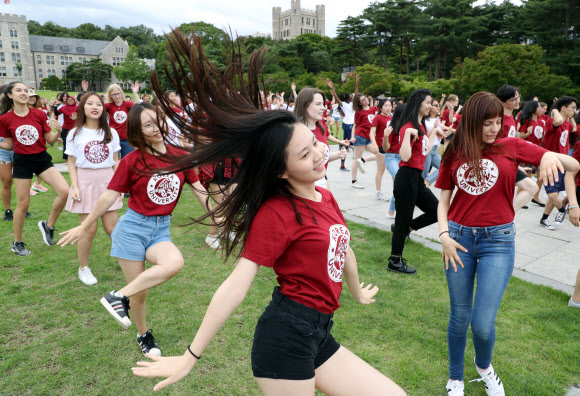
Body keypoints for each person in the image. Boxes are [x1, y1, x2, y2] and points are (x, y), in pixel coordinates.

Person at [130, 31, 406, 396]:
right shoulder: (277, 213)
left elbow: (342, 247)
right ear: (280, 170)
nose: (318, 155)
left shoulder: (323, 197)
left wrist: (355, 291)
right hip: (286, 339)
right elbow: (235, 287)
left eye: (313, 146)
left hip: (319, 334)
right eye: (304, 155)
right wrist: (190, 356)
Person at [435, 92, 579, 396]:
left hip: (497, 242)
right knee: (459, 315)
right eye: (487, 123)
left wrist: (551, 156)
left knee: (483, 323)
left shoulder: (510, 145)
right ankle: (455, 378)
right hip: (458, 238)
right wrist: (444, 236)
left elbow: (573, 166)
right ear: (472, 122)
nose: (494, 128)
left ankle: (484, 367)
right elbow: (443, 200)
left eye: (498, 122)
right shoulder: (455, 151)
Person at [58, 102, 213, 356]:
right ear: (138, 132)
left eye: (158, 120)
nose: (157, 127)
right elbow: (109, 196)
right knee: (140, 293)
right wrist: (85, 225)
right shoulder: (132, 160)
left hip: (160, 229)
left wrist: (220, 216)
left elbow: (199, 190)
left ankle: (116, 296)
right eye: (148, 125)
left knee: (174, 263)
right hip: (131, 229)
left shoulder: (180, 156)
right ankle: (143, 334)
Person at [0, 82, 69, 256]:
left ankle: (49, 225)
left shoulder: (39, 114)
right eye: (19, 90)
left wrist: (58, 131)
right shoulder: (5, 119)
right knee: (23, 204)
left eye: (26, 90)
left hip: (41, 159)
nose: (24, 93)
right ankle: (17, 242)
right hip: (22, 161)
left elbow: (50, 140)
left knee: (65, 191)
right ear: (10, 95)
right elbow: (9, 144)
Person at [64, 92, 123, 285]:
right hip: (85, 182)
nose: (95, 107)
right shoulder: (74, 133)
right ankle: (84, 268)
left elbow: (115, 161)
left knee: (112, 228)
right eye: (90, 103)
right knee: (88, 229)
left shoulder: (111, 132)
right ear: (83, 107)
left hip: (108, 182)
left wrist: (120, 183)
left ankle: (129, 261)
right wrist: (74, 186)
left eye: (98, 103)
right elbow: (71, 163)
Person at [389, 89, 441, 275]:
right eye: (428, 102)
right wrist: (407, 134)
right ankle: (395, 260)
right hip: (406, 177)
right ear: (418, 103)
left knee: (437, 210)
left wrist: (434, 131)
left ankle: (404, 229)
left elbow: (424, 153)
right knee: (402, 217)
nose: (430, 106)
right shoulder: (408, 126)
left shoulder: (421, 127)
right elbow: (404, 156)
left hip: (416, 177)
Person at [294, 87, 348, 189]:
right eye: (318, 104)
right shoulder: (295, 132)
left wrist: (338, 154)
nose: (323, 108)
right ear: (305, 106)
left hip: (322, 180)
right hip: (303, 186)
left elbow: (320, 159)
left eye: (323, 104)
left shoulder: (320, 125)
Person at [496, 85, 539, 211]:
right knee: (531, 187)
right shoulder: (498, 120)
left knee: (531, 187)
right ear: (503, 102)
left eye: (518, 97)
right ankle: (505, 216)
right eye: (513, 99)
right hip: (499, 163)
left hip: (508, 162)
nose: (517, 101)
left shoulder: (511, 118)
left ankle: (505, 216)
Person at [539, 96, 578, 229]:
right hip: (549, 162)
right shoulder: (552, 121)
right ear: (563, 108)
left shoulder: (566, 123)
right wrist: (555, 108)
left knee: (553, 193)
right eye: (572, 107)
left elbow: (573, 128)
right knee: (552, 194)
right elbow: (559, 120)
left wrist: (570, 114)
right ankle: (562, 210)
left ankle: (544, 218)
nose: (575, 110)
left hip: (561, 162)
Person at [102, 81, 141, 159]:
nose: (117, 96)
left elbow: (139, 107)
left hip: (127, 138)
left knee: (127, 160)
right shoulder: (109, 106)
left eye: (118, 93)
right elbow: (96, 107)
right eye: (114, 94)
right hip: (114, 138)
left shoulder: (127, 104)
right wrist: (85, 91)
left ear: (121, 93)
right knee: (113, 159)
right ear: (110, 96)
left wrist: (135, 94)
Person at [326, 78, 357, 172]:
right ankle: (342, 165)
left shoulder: (352, 103)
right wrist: (333, 89)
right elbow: (336, 98)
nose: (352, 96)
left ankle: (355, 155)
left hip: (353, 125)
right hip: (347, 125)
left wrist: (356, 82)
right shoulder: (343, 104)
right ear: (346, 98)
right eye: (350, 96)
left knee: (355, 141)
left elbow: (356, 93)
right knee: (345, 143)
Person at [349, 91, 379, 189]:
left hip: (369, 137)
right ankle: (354, 181)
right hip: (360, 136)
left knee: (377, 152)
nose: (365, 100)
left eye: (365, 98)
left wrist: (371, 100)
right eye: (362, 100)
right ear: (359, 103)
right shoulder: (359, 112)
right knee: (356, 159)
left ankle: (363, 160)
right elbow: (354, 126)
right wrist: (352, 137)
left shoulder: (372, 109)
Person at [383, 103, 406, 219]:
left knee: (399, 185)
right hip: (391, 157)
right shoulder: (391, 126)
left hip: (403, 157)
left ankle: (393, 211)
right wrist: (385, 136)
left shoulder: (408, 126)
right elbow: (386, 148)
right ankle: (392, 211)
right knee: (400, 181)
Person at [369, 99, 392, 201]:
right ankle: (378, 192)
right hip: (380, 146)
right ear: (381, 107)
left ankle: (397, 192)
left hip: (390, 147)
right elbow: (371, 132)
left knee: (393, 171)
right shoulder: (377, 118)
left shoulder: (391, 118)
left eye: (390, 106)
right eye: (386, 106)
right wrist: (374, 145)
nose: (388, 108)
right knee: (381, 170)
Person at [423, 98, 443, 188]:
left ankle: (427, 182)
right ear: (430, 107)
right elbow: (425, 137)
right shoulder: (425, 121)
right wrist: (434, 127)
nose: (438, 107)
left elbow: (443, 135)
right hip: (427, 149)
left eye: (439, 105)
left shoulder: (437, 120)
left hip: (434, 150)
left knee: (443, 167)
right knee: (423, 174)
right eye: (436, 105)